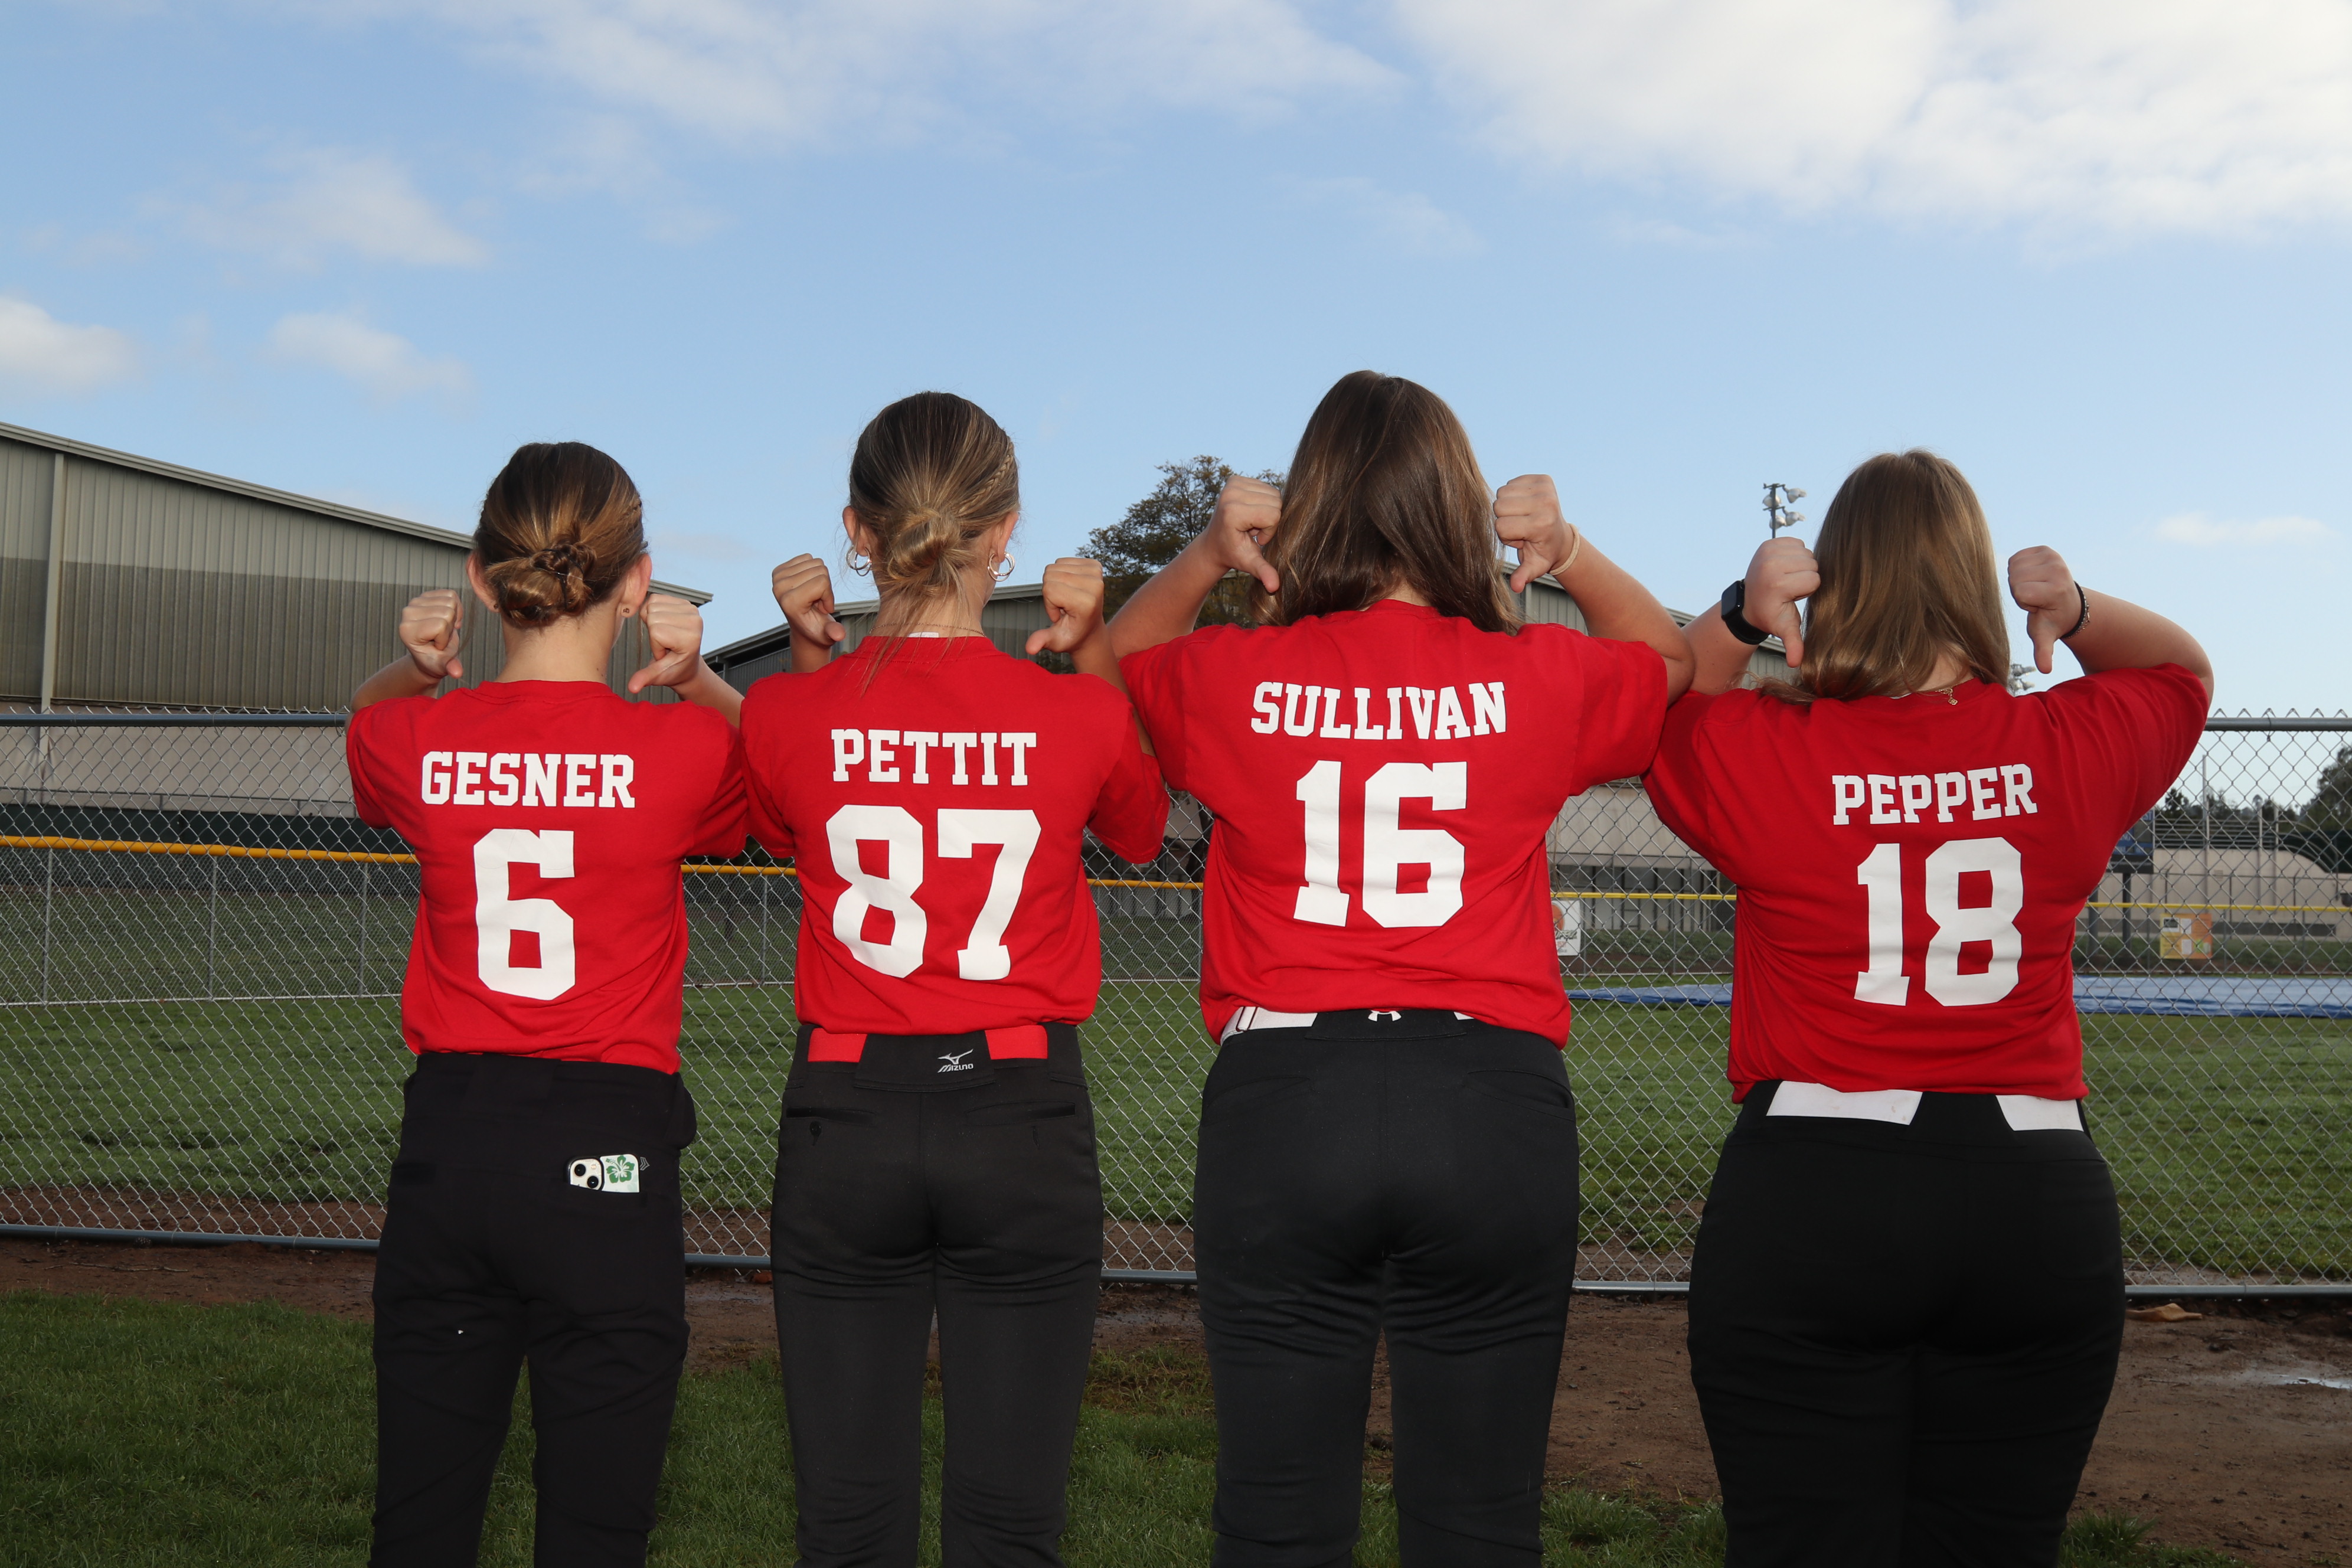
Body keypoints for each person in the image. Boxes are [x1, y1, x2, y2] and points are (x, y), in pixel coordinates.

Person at [1108, 370, 1696, 1567]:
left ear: (1314, 507)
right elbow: (1667, 658)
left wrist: (1210, 554)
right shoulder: (1533, 672)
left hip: (1286, 1093)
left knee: (1276, 1513)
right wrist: (1571, 551)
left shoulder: (1234, 672)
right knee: (1478, 1517)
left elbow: (1120, 660)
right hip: (1489, 1096)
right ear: (1452, 509)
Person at [1644, 450, 2213, 1567]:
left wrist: (1743, 615)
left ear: (1838, 583)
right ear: (1969, 578)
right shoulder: (2066, 741)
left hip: (1817, 1182)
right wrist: (2077, 610)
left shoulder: (1774, 749)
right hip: (2032, 1189)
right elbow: (2181, 669)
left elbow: (1661, 704)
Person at [740, 391, 1168, 1567]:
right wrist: (1095, 646)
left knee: (846, 1521)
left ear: (857, 530)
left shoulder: (783, 708)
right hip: (1020, 1112)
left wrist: (817, 653)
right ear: (1006, 532)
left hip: (845, 1111)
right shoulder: (1075, 711)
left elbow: (793, 814)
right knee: (1011, 1523)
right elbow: (1142, 830)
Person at [346, 442, 749, 1568]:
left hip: (454, 1141)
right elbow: (776, 764)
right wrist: (697, 676)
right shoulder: (682, 745)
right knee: (598, 1525)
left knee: (420, 1520)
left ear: (481, 581)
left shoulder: (417, 734)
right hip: (605, 1150)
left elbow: (363, 724)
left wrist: (416, 669)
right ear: (637, 581)